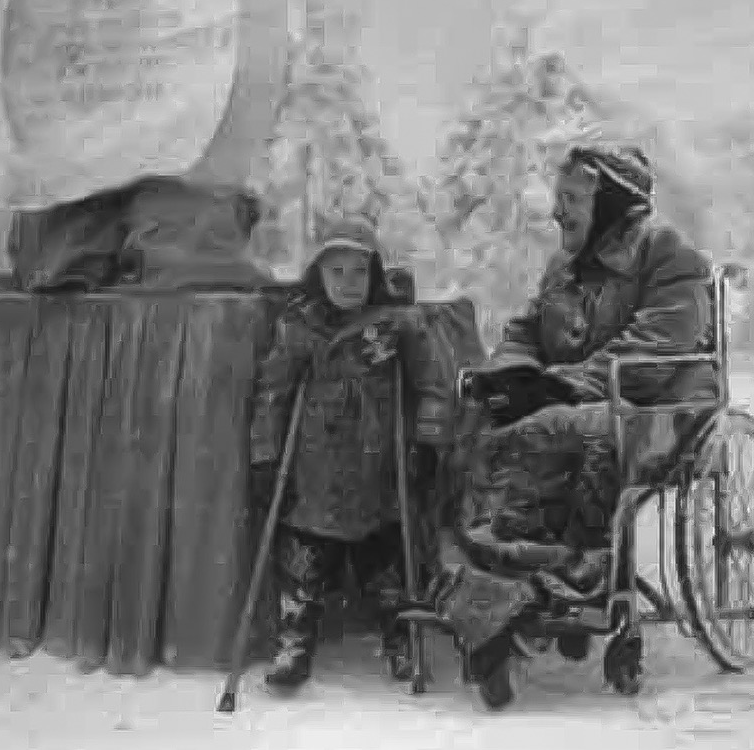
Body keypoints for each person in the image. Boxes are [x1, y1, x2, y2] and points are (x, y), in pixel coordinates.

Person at [432, 137, 714, 709]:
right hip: (583, 402)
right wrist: (511, 375)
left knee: (568, 431)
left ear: (611, 206)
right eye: (558, 198)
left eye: (571, 201)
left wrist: (560, 387)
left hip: (659, 406)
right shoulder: (564, 266)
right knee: (487, 429)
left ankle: (570, 578)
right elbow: (525, 332)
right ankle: (504, 583)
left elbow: (659, 347)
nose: (556, 212)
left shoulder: (666, 254)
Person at [249, 215, 447, 691]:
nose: (349, 283)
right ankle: (294, 642)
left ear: (375, 273)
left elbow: (432, 385)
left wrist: (428, 440)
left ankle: (402, 637)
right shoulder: (300, 325)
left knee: (388, 561)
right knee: (303, 560)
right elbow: (273, 392)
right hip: (317, 466)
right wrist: (265, 454)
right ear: (318, 273)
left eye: (359, 272)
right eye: (337, 272)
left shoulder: (400, 324)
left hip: (380, 465)